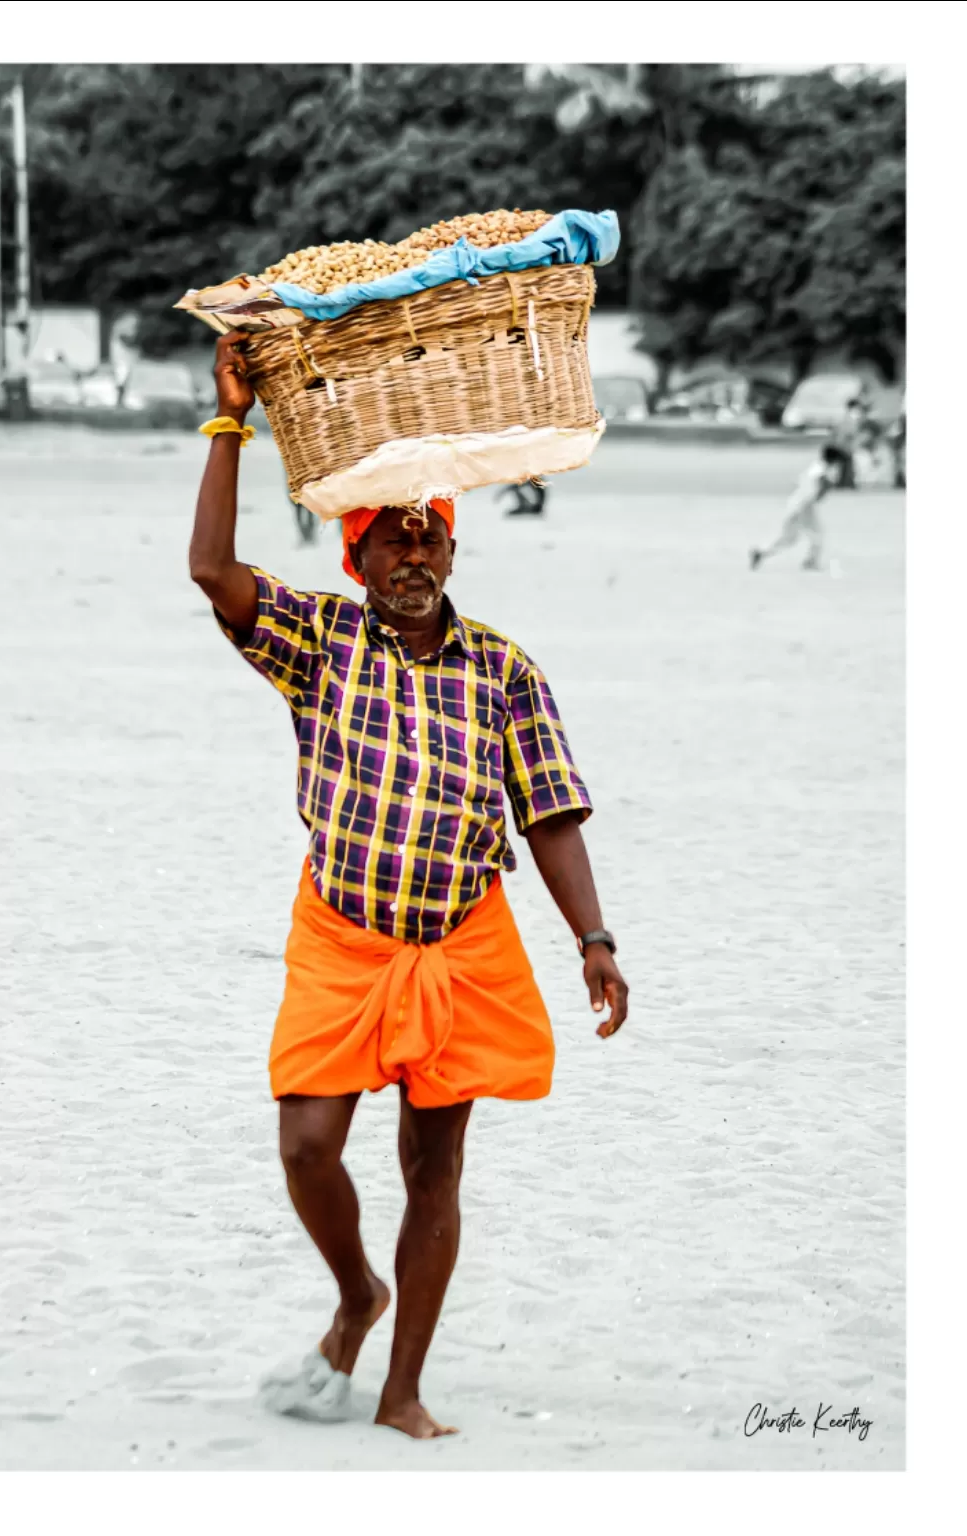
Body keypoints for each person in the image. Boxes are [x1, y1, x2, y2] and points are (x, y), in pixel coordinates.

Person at [189, 332, 629, 1440]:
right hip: (342, 939)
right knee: (305, 1145)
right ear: (357, 559)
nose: (413, 553)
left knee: (433, 1170)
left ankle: (400, 1390)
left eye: (428, 534)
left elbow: (550, 813)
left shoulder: (504, 670)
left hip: (460, 945)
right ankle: (355, 1295)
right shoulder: (321, 642)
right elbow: (212, 572)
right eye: (391, 538)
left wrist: (593, 938)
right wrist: (231, 422)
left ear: (451, 550)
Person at [750, 444, 847, 572]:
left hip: (797, 504)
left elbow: (806, 486)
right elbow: (819, 490)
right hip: (803, 505)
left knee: (789, 537)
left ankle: (761, 552)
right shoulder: (822, 470)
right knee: (816, 534)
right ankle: (810, 562)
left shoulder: (818, 467)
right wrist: (828, 484)